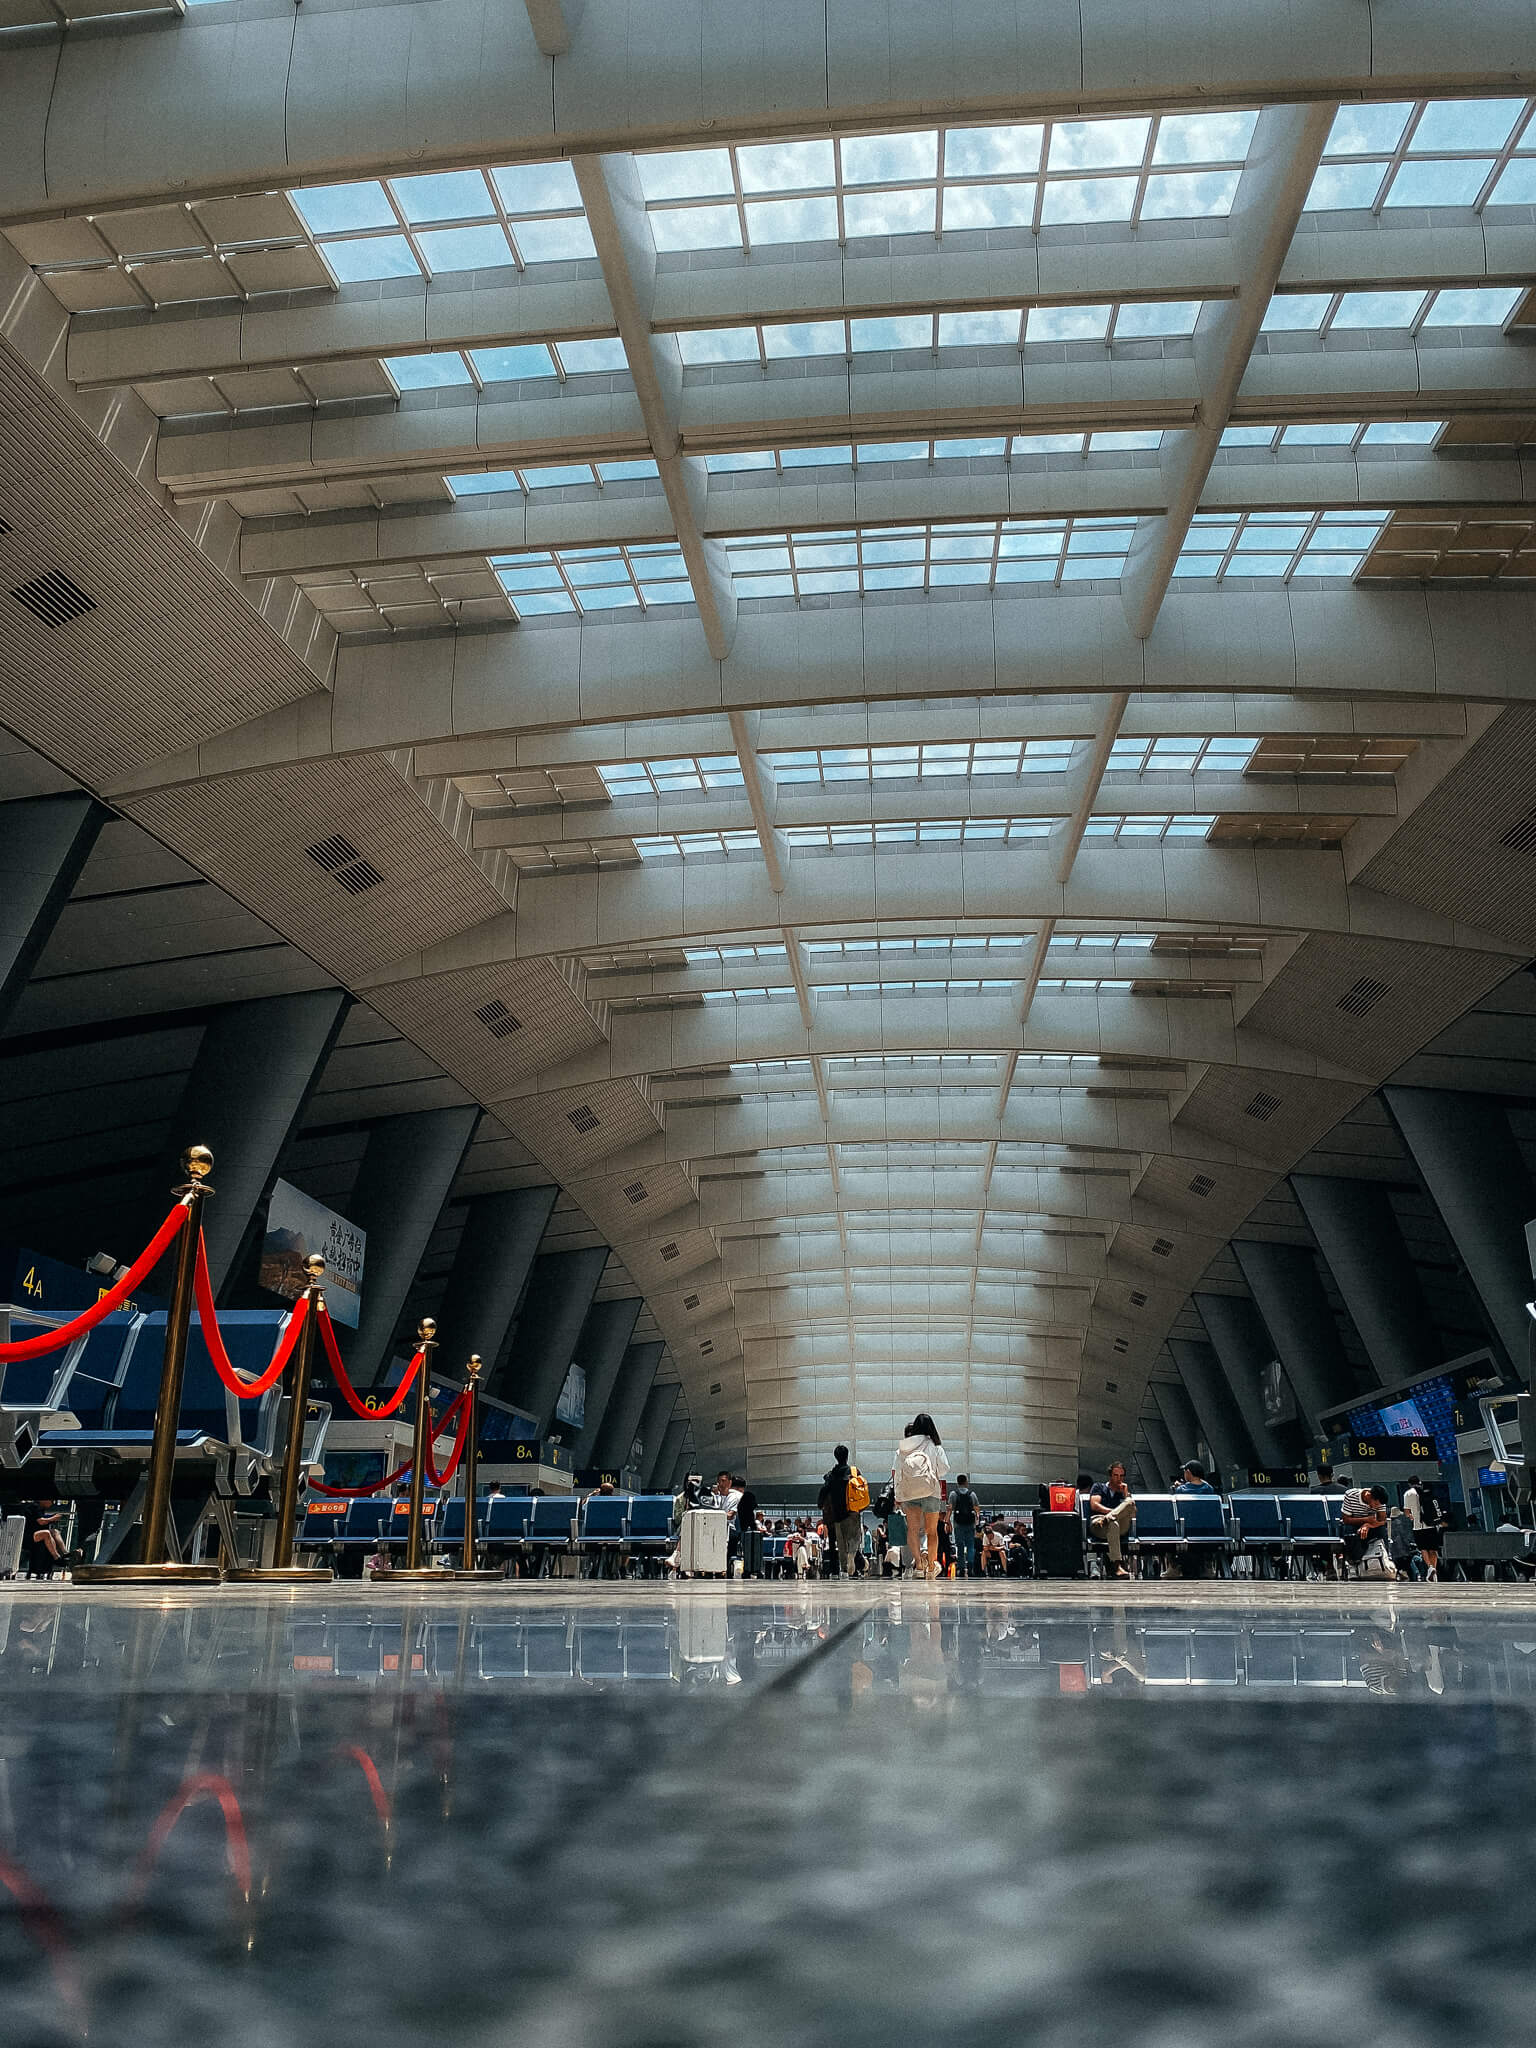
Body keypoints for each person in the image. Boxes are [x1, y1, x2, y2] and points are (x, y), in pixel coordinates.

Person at [893, 1413, 949, 1580]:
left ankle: (918, 1565)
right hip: (931, 1492)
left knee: (913, 1530)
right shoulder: (935, 1446)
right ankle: (931, 1567)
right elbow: (944, 1469)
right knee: (932, 1532)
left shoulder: (903, 1448)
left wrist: (898, 1494)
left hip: (910, 1493)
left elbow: (898, 1473)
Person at [819, 1444, 863, 1577]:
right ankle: (852, 1556)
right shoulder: (854, 1472)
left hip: (837, 1514)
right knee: (854, 1538)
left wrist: (820, 1504)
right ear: (847, 1456)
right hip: (853, 1510)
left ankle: (843, 1570)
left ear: (835, 1457)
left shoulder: (831, 1475)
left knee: (841, 1542)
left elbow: (824, 1491)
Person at [1088, 1460, 1135, 1579]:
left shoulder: (1123, 1493)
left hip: (1116, 1524)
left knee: (1129, 1502)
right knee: (1113, 1524)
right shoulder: (1099, 1487)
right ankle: (1117, 1566)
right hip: (1099, 1523)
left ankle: (1109, 1519)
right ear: (1110, 1476)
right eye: (1115, 1475)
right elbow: (1094, 1505)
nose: (1119, 1478)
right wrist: (1113, 1513)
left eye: (1121, 1476)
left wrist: (1125, 1495)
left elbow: (1133, 1513)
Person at [1340, 1483, 1391, 1577]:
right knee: (1349, 1531)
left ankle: (1385, 1558)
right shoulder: (1351, 1495)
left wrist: (1368, 1525)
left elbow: (1382, 1520)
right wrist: (1365, 1520)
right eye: (1375, 1504)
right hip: (1353, 1524)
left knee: (1382, 1530)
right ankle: (1354, 1562)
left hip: (1371, 1526)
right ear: (1369, 1495)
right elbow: (1346, 1519)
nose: (1376, 1507)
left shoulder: (1379, 1501)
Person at [1403, 1477, 1442, 1582]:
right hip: (1431, 1524)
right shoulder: (1427, 1491)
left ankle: (1430, 1567)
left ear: (1409, 1484)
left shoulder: (1408, 1494)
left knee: (1423, 1548)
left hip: (1418, 1526)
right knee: (1433, 1549)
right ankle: (1434, 1570)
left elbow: (1407, 1512)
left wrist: (1411, 1516)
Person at [950, 1473, 980, 1577]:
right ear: (966, 1482)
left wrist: (947, 1521)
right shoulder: (972, 1494)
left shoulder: (954, 1494)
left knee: (960, 1546)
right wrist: (977, 1519)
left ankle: (961, 1568)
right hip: (970, 1523)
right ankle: (970, 1568)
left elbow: (950, 1508)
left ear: (957, 1482)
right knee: (971, 1546)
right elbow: (977, 1508)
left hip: (958, 1523)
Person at [733, 1474, 763, 1578]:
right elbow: (750, 1519)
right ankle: (750, 1569)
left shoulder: (728, 1496)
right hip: (741, 1532)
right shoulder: (744, 1497)